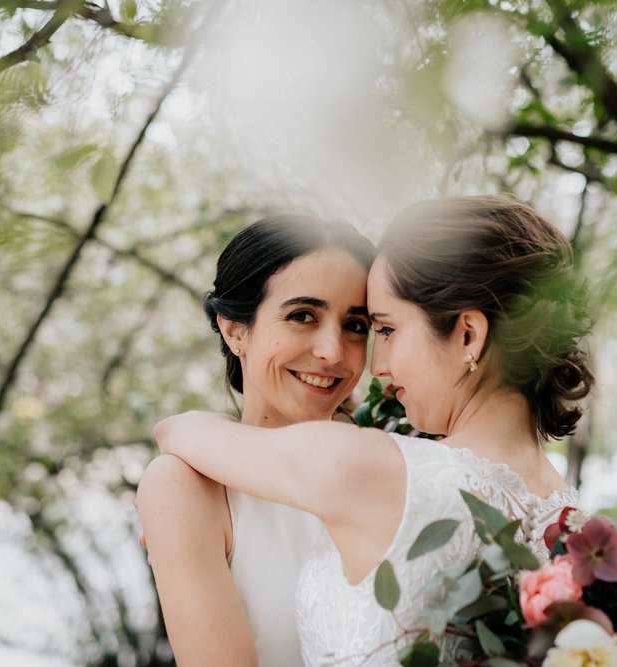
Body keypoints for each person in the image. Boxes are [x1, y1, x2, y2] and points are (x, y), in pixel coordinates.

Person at [154, 195, 593, 665]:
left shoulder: (382, 465)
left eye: (368, 326)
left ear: (468, 336)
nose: (345, 354)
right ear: (233, 329)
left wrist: (178, 429)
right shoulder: (573, 521)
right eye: (302, 315)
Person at [136, 214, 375, 666]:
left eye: (356, 325)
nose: (333, 351)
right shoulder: (186, 488)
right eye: (303, 316)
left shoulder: (397, 462)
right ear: (234, 330)